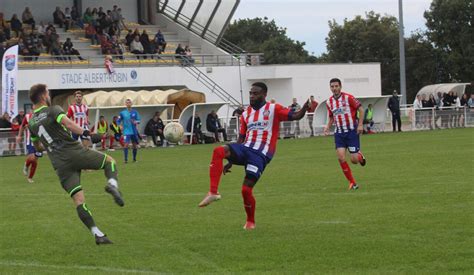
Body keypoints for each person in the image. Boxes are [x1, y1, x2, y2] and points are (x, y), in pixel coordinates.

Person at [198, 82, 310, 230]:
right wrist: (230, 159)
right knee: (219, 151)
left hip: (260, 154)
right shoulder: (245, 114)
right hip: (245, 148)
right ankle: (213, 192)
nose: (252, 96)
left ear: (264, 95)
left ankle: (250, 222)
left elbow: (295, 116)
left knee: (246, 190)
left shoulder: (273, 109)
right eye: (250, 93)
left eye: (255, 93)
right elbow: (241, 138)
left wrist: (305, 107)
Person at [27, 84, 124, 245]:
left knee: (79, 200)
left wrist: (50, 145)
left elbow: (38, 147)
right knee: (110, 162)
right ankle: (112, 184)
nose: (49, 95)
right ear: (43, 96)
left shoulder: (31, 123)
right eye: (48, 93)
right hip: (74, 152)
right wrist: (88, 134)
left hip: (59, 165)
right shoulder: (53, 110)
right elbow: (68, 123)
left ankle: (97, 234)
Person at [323, 78, 366, 190]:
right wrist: (328, 126)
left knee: (354, 160)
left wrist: (360, 124)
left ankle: (360, 156)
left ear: (340, 86)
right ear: (330, 88)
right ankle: (352, 183)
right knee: (341, 157)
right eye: (332, 86)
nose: (334, 88)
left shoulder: (348, 97)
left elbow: (361, 109)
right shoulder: (329, 102)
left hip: (352, 132)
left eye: (336, 86)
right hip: (339, 134)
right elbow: (332, 116)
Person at [16, 111, 42, 183]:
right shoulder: (27, 116)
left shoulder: (42, 116)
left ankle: (30, 178)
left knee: (35, 159)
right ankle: (26, 165)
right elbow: (22, 126)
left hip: (39, 141)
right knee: (32, 157)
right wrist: (19, 135)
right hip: (30, 141)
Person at [118, 99, 141, 163]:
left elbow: (139, 120)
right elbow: (118, 121)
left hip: (133, 131)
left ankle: (134, 159)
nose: (128, 104)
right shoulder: (122, 113)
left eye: (129, 102)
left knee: (134, 145)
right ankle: (125, 160)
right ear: (125, 104)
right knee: (126, 145)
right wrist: (120, 126)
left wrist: (135, 122)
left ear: (131, 104)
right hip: (126, 131)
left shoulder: (135, 112)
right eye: (127, 103)